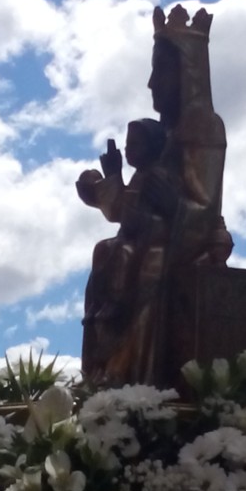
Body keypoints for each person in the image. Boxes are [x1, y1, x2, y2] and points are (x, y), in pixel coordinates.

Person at [76, 119, 178, 383]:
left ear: (154, 147)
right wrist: (111, 178)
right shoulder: (140, 175)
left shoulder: (157, 175)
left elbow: (133, 213)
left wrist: (110, 182)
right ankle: (101, 310)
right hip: (132, 235)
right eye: (127, 144)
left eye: (136, 144)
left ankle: (117, 304)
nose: (129, 149)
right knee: (103, 249)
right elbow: (121, 210)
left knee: (123, 254)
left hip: (147, 239)